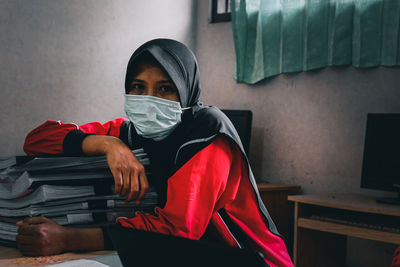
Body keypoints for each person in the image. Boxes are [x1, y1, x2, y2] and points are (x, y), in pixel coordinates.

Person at [19, 39, 294, 266]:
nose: (149, 101)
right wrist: (107, 144)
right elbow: (38, 139)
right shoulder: (132, 132)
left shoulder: (208, 133)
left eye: (165, 89)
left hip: (251, 261)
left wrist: (69, 239)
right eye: (138, 87)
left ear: (186, 90)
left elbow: (177, 231)